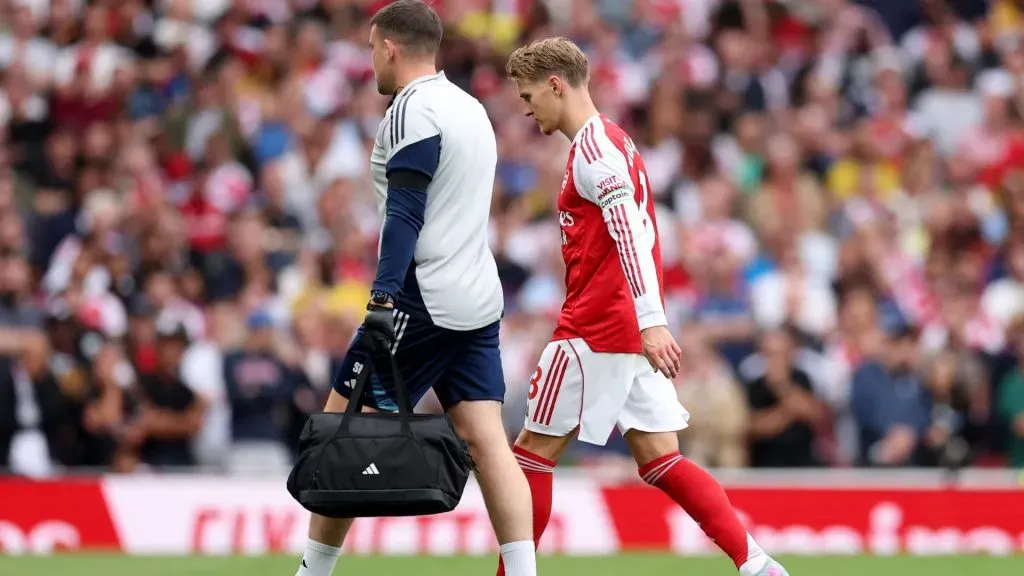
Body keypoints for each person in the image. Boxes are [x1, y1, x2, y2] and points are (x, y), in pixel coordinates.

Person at [499, 37, 790, 576]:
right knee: (662, 460)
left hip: (594, 329)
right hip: (626, 330)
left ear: (557, 85)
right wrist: (646, 323)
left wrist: (653, 322)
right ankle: (758, 564)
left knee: (526, 459)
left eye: (529, 94)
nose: (526, 106)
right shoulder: (618, 142)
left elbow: (629, 231)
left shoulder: (592, 151)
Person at [293, 2, 536, 576]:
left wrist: (380, 299)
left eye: (372, 48)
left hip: (421, 297)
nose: (371, 59)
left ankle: (312, 573)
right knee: (487, 440)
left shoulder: (412, 110)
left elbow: (405, 213)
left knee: (339, 430)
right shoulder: (471, 108)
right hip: (477, 298)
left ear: (389, 47)